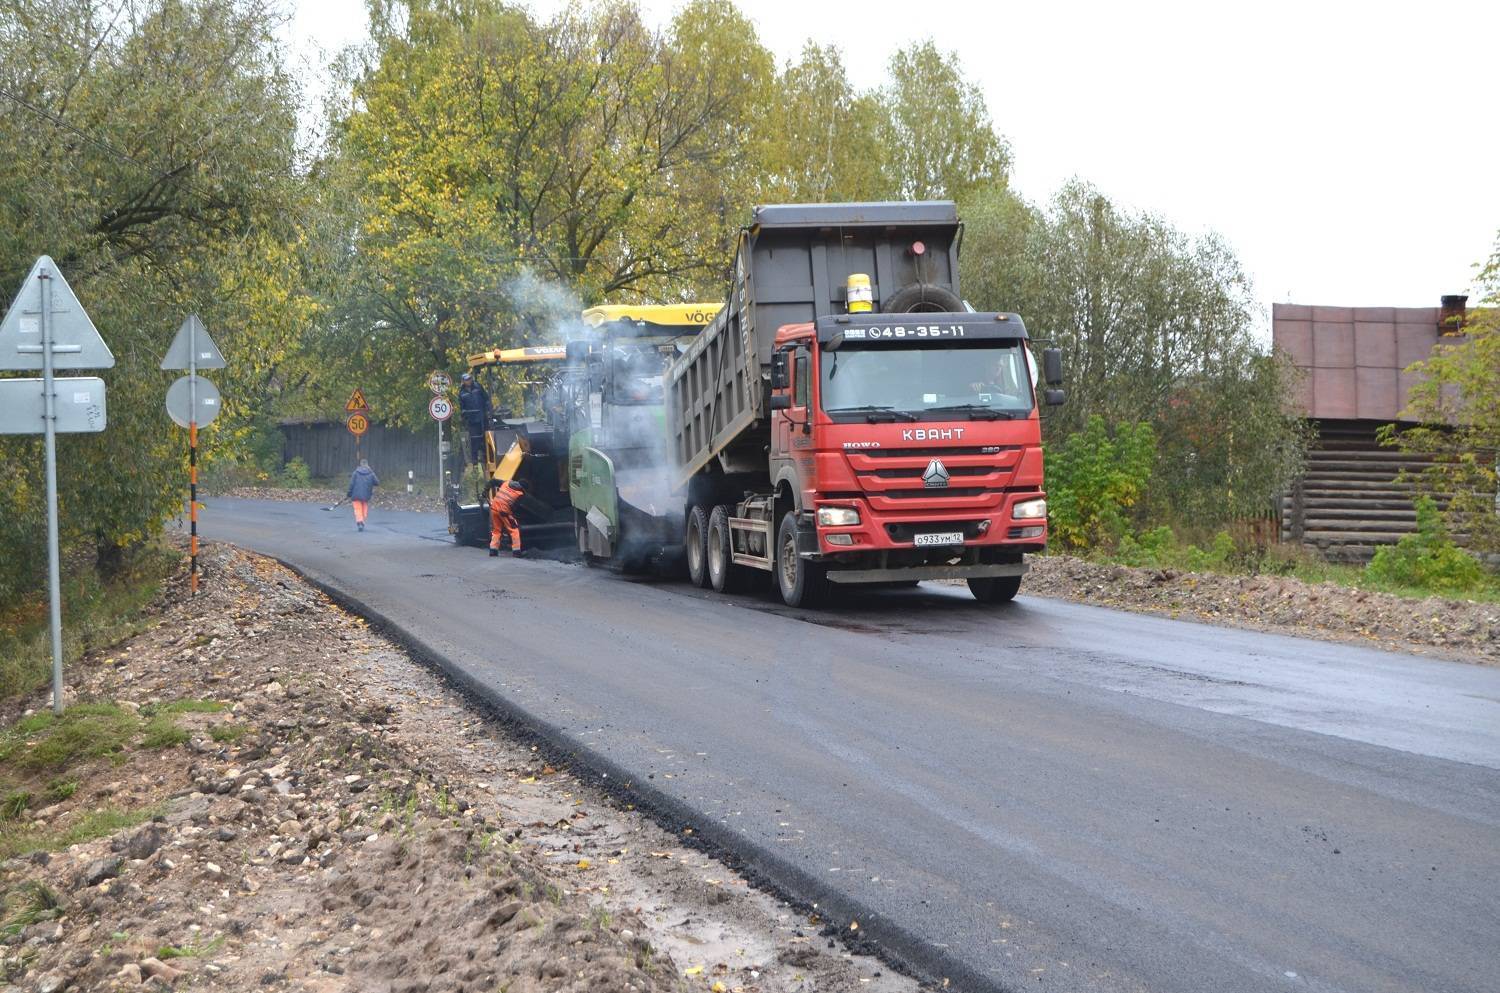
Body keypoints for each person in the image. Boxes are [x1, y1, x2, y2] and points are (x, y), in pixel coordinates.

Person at [457, 372, 491, 465]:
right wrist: (464, 414)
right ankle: (475, 460)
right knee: (474, 440)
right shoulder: (462, 393)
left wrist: (488, 410)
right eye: (467, 379)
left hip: (483, 418)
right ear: (463, 381)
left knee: (487, 437)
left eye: (470, 379)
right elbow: (462, 407)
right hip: (472, 420)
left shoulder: (478, 387)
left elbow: (486, 399)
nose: (469, 381)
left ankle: (488, 456)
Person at [488, 478, 526, 557]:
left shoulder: (506, 483)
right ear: (522, 487)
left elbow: (493, 481)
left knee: (496, 530)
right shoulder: (520, 494)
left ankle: (493, 550)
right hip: (504, 512)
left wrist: (485, 490)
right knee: (514, 530)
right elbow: (515, 507)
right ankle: (517, 552)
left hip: (494, 509)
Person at [347, 459, 379, 531]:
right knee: (364, 509)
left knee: (358, 509)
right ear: (367, 465)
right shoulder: (371, 473)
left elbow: (351, 484)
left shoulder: (355, 472)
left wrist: (349, 493)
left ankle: (360, 522)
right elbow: (377, 482)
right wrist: (372, 473)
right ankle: (362, 521)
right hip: (366, 495)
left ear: (360, 464)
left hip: (356, 494)